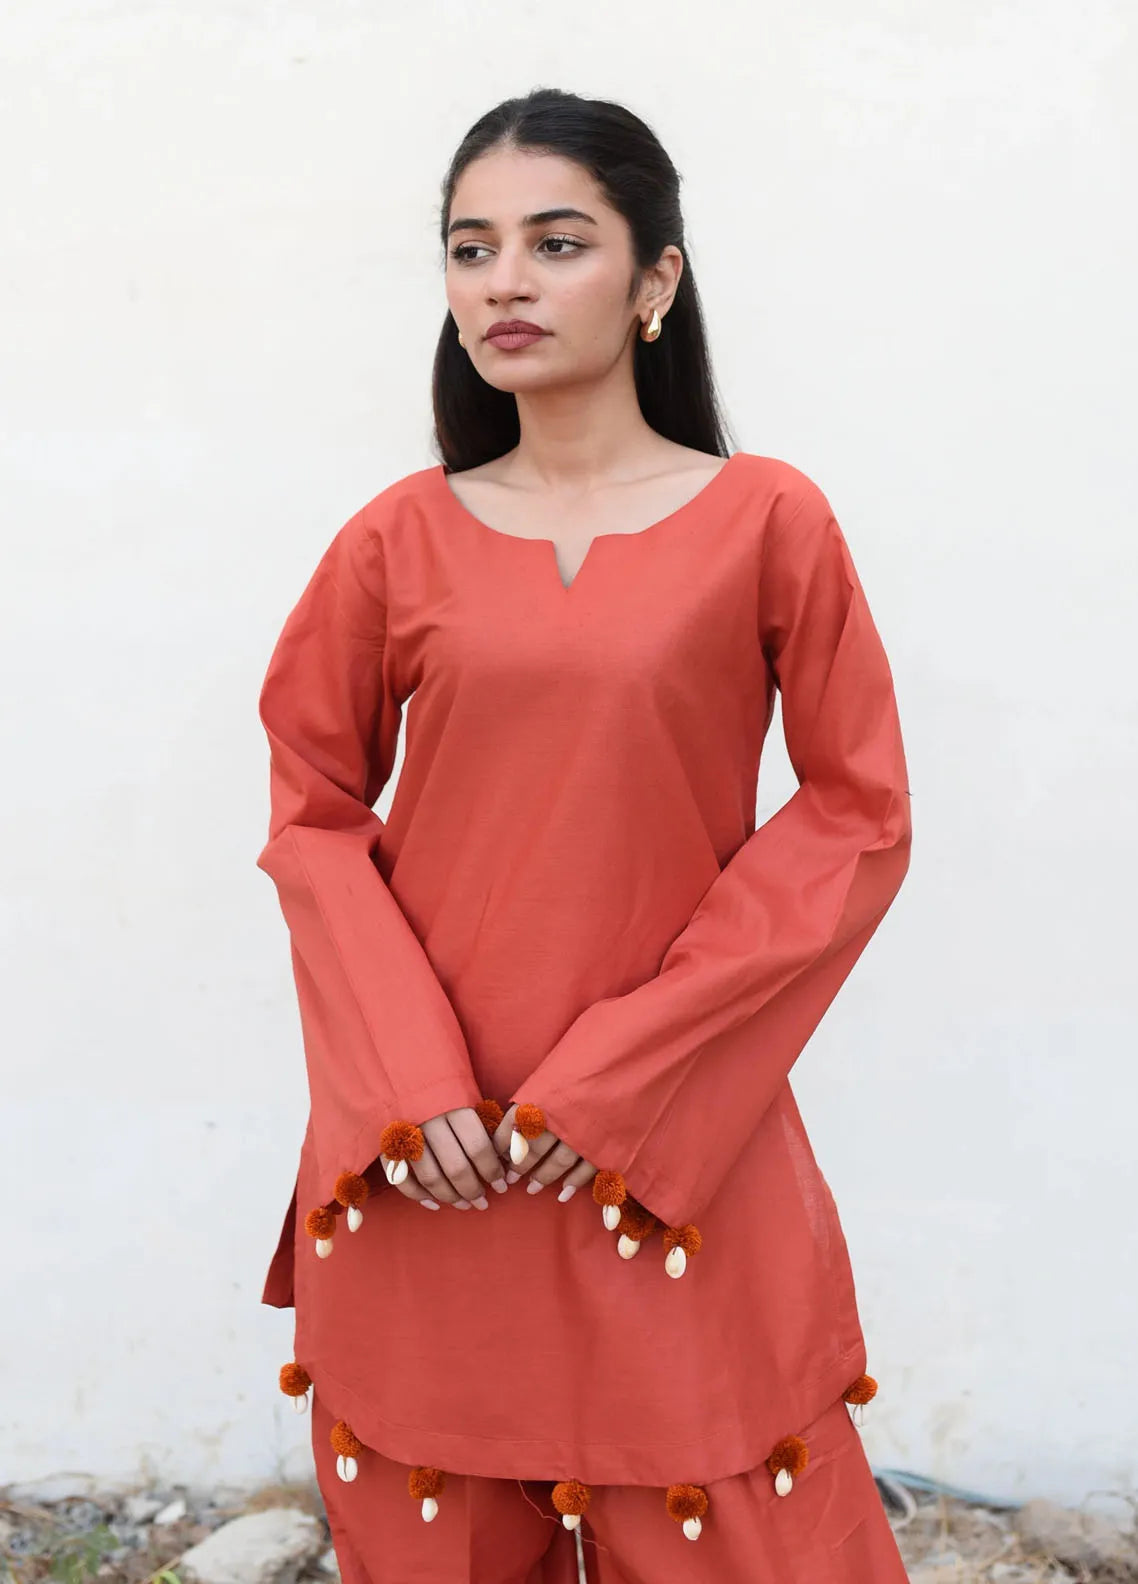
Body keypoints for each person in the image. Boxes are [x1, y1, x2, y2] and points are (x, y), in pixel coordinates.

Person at [254, 87, 914, 1584]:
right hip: (437, 1157)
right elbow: (311, 820)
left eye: (557, 243)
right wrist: (408, 1088)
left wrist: (626, 1078)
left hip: (668, 1141)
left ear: (655, 277)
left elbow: (856, 815)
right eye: (471, 247)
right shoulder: (395, 540)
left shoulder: (766, 522)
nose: (506, 281)